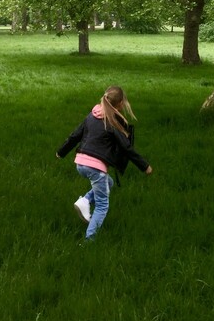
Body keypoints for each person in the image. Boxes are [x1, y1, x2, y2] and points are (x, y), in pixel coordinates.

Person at [56, 85, 153, 241]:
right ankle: (89, 240)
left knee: (109, 182)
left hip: (80, 163)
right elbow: (127, 147)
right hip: (95, 167)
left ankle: (85, 201)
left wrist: (60, 152)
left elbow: (75, 136)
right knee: (102, 205)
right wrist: (145, 166)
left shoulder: (91, 115)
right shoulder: (112, 123)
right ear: (120, 103)